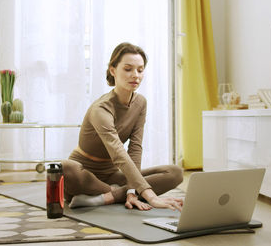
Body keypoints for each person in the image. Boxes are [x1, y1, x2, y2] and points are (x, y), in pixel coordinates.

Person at [61, 42, 184, 211]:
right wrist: (150, 196)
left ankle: (105, 198)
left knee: (174, 172)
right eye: (128, 69)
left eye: (140, 70)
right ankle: (115, 194)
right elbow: (118, 151)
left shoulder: (140, 102)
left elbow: (135, 148)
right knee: (65, 168)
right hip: (84, 176)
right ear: (113, 70)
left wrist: (133, 188)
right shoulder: (101, 108)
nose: (135, 75)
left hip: (114, 176)